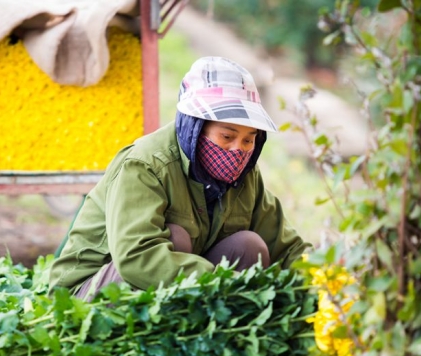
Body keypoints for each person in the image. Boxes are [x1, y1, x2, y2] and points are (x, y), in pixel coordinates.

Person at [50, 56, 309, 300]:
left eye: (248, 139)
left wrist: (325, 279)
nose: (237, 150)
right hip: (87, 293)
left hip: (183, 287)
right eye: (227, 137)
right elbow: (137, 257)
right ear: (194, 127)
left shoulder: (245, 174)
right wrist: (222, 283)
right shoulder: (145, 165)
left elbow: (285, 248)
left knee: (248, 246)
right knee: (176, 239)